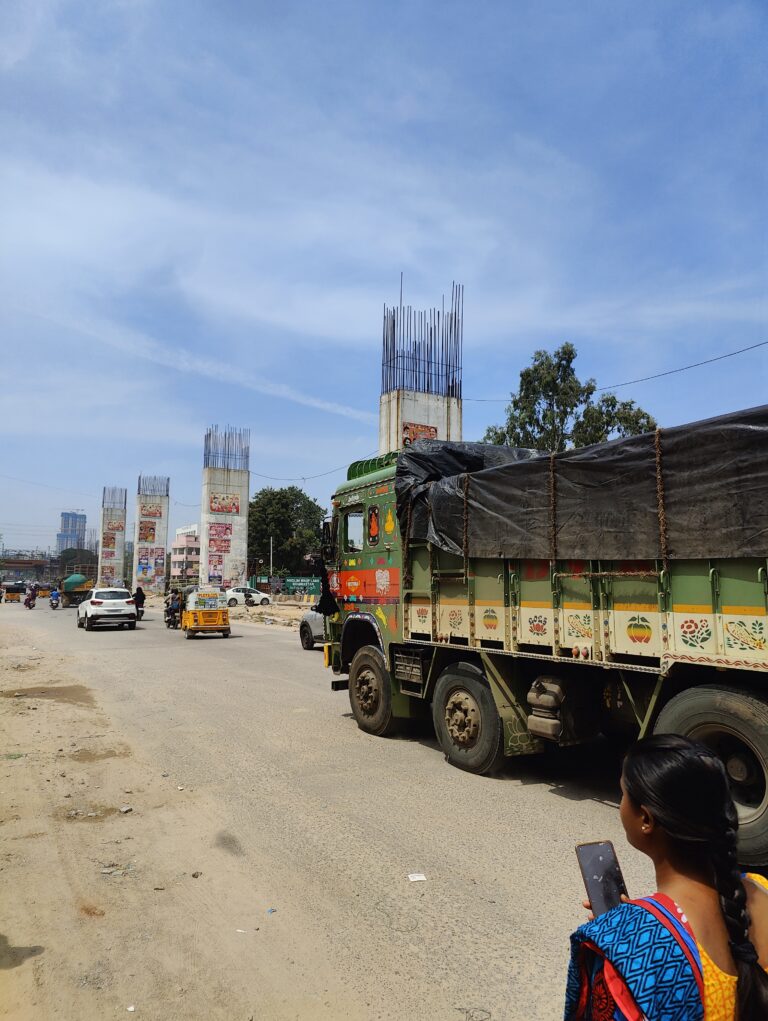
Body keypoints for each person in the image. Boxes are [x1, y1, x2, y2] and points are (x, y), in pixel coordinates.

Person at [565, 734, 768, 1020]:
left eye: (623, 793)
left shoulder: (635, 947)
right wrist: (635, 928)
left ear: (646, 819)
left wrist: (625, 937)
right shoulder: (761, 889)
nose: (621, 804)